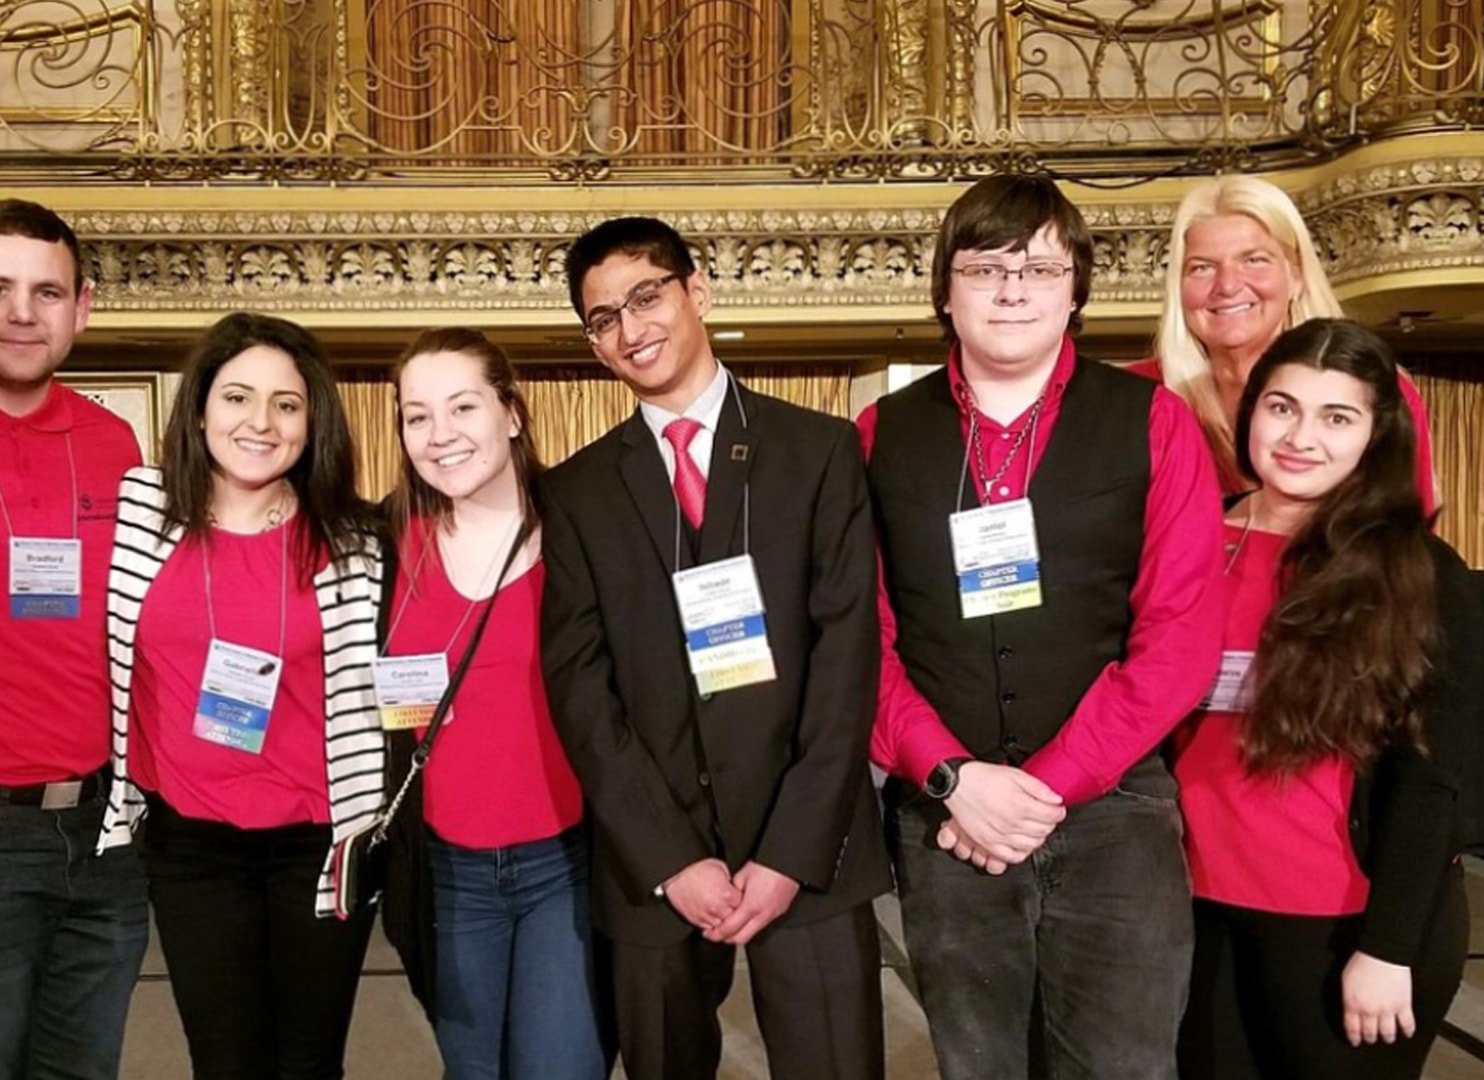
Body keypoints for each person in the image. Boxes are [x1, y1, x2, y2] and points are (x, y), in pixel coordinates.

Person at [860, 174, 1223, 1078]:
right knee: (977, 1066)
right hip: (946, 816)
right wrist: (951, 776)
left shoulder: (1156, 424)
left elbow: (1179, 638)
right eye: (986, 267)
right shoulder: (876, 434)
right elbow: (858, 639)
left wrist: (1043, 787)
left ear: (1076, 289)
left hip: (1117, 816)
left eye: (1040, 266)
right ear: (946, 291)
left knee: (1126, 1067)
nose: (1014, 288)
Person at [540, 216, 888, 1079]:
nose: (631, 329)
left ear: (698, 293)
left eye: (646, 297)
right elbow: (581, 691)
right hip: (656, 864)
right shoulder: (579, 489)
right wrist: (670, 860)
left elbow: (847, 662)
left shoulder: (817, 451)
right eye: (604, 318)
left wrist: (785, 857)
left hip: (806, 851)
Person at [1173, 318, 1478, 1080]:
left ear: (1376, 435)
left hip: (1342, 923)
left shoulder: (1416, 570)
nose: (1300, 436)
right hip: (1192, 912)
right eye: (1282, 407)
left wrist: (1388, 947)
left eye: (1336, 417)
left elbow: (1433, 775)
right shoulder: (1192, 538)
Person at [99, 313, 389, 1079]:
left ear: (313, 421)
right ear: (199, 409)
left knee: (309, 1063)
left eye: (286, 404)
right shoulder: (141, 510)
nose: (260, 422)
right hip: (190, 847)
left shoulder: (357, 541)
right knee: (224, 1062)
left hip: (320, 849)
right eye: (237, 398)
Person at [0, 199, 149, 1080]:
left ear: (81, 308)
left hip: (107, 833)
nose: (21, 312)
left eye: (47, 292)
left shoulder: (112, 441)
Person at [381, 327, 605, 1079]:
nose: (440, 435)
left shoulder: (583, 530)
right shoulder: (383, 544)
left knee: (560, 1068)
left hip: (564, 862)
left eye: (462, 407)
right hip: (445, 871)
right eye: (417, 415)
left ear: (511, 413)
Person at [1139, 175, 1436, 503]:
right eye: (1202, 268)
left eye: (1253, 260)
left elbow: (1409, 536)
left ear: (1296, 277)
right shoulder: (1135, 397)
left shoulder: (1376, 387)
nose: (1227, 285)